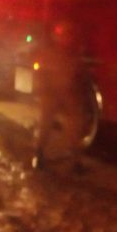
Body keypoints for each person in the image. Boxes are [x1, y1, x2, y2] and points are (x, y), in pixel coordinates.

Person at [32, 19, 85, 169]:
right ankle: (38, 154)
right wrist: (42, 89)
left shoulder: (72, 53)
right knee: (45, 125)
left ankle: (76, 161)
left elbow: (77, 73)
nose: (65, 38)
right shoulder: (48, 52)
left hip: (67, 93)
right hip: (50, 94)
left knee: (74, 127)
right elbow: (39, 72)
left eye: (68, 34)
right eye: (62, 34)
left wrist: (75, 91)